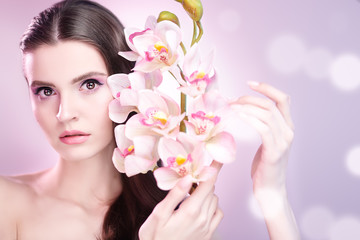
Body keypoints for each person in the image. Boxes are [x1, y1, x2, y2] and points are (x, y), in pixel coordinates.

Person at [0, 0, 300, 239]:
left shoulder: (171, 210)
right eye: (45, 90)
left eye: (89, 84)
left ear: (128, 86)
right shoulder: (7, 202)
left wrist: (272, 195)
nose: (65, 113)